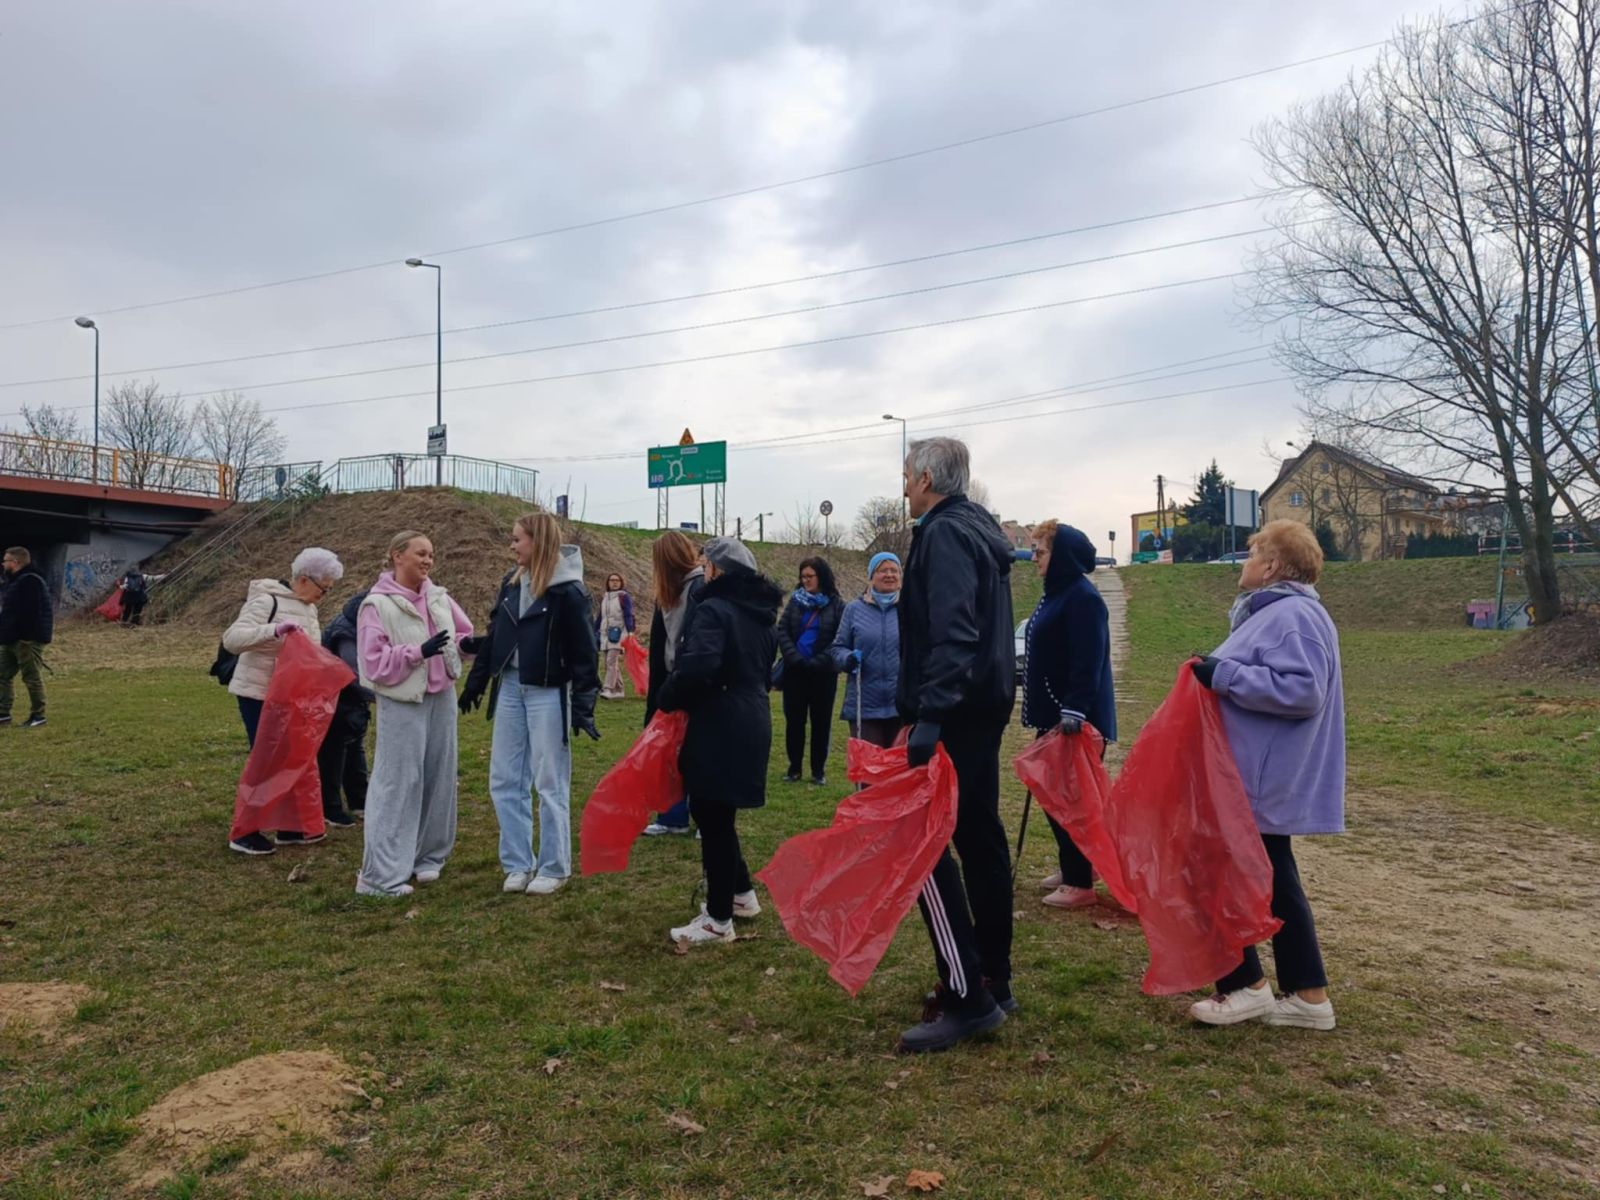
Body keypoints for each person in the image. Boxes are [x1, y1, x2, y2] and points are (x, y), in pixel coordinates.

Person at [1186, 519, 1345, 1032]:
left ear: (1273, 566)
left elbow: (1304, 691)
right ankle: (1305, 994)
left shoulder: (1293, 615)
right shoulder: (1279, 613)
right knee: (1274, 878)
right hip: (1258, 774)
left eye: (1252, 554)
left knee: (1225, 872)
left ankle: (1246, 987)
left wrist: (1224, 675)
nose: (1244, 563)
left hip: (1261, 778)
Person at [895, 437, 1018, 1053]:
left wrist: (928, 716)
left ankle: (968, 994)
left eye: (906, 475)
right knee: (979, 836)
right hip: (982, 707)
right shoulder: (979, 527)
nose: (903, 486)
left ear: (924, 478)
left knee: (925, 844)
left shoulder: (943, 533)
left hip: (958, 711)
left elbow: (953, 631)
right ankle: (994, 977)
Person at [459, 513, 600, 896]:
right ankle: (518, 864)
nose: (512, 545)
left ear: (537, 542)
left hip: (547, 692)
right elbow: (497, 635)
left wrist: (584, 702)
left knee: (549, 780)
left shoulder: (568, 592)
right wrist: (476, 682)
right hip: (509, 689)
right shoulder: (511, 583)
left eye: (517, 538)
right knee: (505, 779)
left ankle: (554, 867)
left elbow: (586, 652)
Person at [657, 536, 783, 945]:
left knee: (712, 817)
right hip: (751, 717)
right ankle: (741, 895)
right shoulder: (761, 615)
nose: (703, 568)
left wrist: (669, 695)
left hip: (720, 721)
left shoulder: (714, 609)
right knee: (718, 816)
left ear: (717, 570)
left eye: (706, 563)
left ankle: (718, 918)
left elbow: (699, 667)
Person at [355, 531, 474, 897]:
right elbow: (373, 664)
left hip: (441, 699)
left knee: (439, 777)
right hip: (403, 702)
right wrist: (416, 652)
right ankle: (378, 876)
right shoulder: (377, 605)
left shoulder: (439, 598)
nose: (427, 561)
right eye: (421, 554)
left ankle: (427, 857)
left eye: (431, 556)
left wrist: (474, 646)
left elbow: (462, 636)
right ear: (397, 556)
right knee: (398, 782)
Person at [1020, 521, 1118, 910]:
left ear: (1060, 556)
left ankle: (1080, 881)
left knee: (1073, 801)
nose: (1033, 558)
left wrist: (1074, 709)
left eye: (1040, 552)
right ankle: (1076, 866)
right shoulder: (1057, 592)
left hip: (1075, 722)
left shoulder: (1082, 598)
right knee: (1052, 793)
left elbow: (1088, 659)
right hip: (1055, 718)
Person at [223, 547, 344, 855]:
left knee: (294, 758)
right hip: (259, 694)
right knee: (266, 761)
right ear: (304, 579)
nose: (325, 595)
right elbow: (233, 639)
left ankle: (290, 827)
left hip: (292, 697)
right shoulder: (267, 601)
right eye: (323, 588)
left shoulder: (309, 609)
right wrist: (273, 630)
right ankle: (245, 832)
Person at [642, 531, 705, 836]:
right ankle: (671, 817)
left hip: (695, 679)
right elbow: (658, 645)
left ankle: (705, 818)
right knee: (669, 751)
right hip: (670, 680)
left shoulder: (702, 587)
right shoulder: (666, 594)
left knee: (698, 751)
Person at [775, 556, 842, 784]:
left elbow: (839, 637)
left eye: (809, 576)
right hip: (796, 671)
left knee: (821, 723)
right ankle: (794, 768)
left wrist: (819, 660)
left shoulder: (836, 604)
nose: (805, 581)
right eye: (802, 577)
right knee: (794, 721)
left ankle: (818, 771)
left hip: (824, 673)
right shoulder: (795, 602)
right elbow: (782, 630)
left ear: (821, 576)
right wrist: (794, 657)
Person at [829, 551, 904, 749]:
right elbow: (837, 648)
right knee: (869, 774)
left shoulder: (911, 608)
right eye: (882, 570)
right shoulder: (854, 609)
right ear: (871, 577)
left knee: (899, 773)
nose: (889, 575)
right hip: (865, 707)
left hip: (902, 706)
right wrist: (848, 658)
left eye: (894, 570)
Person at [317, 590, 372, 828]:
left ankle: (360, 801)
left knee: (354, 749)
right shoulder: (346, 633)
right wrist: (383, 697)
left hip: (353, 704)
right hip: (336, 700)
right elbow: (354, 675)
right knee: (333, 753)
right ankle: (330, 808)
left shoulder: (358, 626)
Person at [0, 547, 52, 730]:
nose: (3, 564)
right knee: (2, 675)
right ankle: (3, 714)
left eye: (5, 561)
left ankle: (38, 715)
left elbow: (32, 612)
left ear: (16, 562)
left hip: (26, 640)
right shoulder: (14, 582)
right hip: (10, 638)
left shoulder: (30, 581)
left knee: (31, 677)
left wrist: (27, 638)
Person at [595, 573, 637, 700]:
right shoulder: (605, 597)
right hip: (605, 634)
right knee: (611, 663)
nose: (614, 582)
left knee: (611, 661)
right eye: (612, 580)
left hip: (619, 633)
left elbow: (628, 614)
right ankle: (619, 690)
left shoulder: (623, 597)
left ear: (621, 582)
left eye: (617, 580)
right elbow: (600, 617)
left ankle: (608, 689)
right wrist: (593, 630)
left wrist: (630, 631)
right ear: (607, 582)